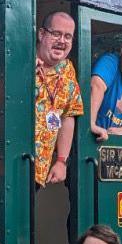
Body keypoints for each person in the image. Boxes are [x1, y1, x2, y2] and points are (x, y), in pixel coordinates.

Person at [34, 11, 84, 187]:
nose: (62, 41)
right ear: (41, 34)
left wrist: (61, 161)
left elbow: (68, 115)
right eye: (56, 34)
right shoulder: (22, 61)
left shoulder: (67, 69)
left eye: (68, 36)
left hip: (41, 170)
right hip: (13, 164)